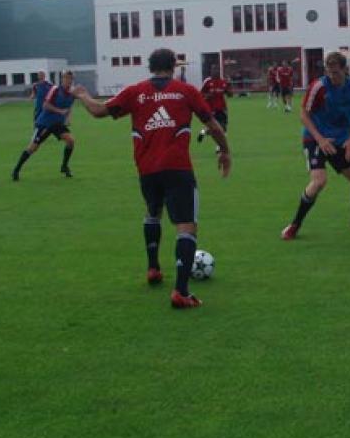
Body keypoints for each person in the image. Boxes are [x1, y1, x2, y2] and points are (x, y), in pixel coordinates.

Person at [73, 48, 231, 309]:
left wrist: (82, 95)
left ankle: (154, 268)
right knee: (186, 225)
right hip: (178, 168)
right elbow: (212, 125)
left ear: (150, 66)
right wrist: (225, 150)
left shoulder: (135, 92)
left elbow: (99, 111)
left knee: (152, 213)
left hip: (147, 170)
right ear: (172, 66)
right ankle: (181, 291)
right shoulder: (185, 91)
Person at [281, 51, 350, 240]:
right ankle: (294, 225)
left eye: (336, 73)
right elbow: (304, 115)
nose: (332, 76)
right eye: (329, 72)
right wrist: (321, 139)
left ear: (345, 70)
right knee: (319, 181)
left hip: (340, 140)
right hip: (315, 138)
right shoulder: (319, 87)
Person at [12, 70, 78, 180]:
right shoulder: (55, 90)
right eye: (66, 78)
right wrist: (60, 112)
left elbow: (70, 106)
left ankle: (64, 166)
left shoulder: (72, 93)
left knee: (70, 141)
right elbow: (46, 105)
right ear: (62, 79)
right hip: (45, 123)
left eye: (70, 79)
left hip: (57, 124)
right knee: (33, 148)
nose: (69, 81)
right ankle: (16, 169)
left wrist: (68, 118)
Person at [197, 65, 232, 147]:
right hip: (211, 109)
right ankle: (204, 132)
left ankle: (219, 147)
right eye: (213, 70)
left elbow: (230, 95)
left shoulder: (223, 82)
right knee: (215, 128)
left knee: (223, 128)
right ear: (211, 71)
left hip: (222, 109)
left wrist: (229, 85)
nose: (215, 72)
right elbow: (200, 94)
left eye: (217, 70)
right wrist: (207, 96)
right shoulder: (208, 82)